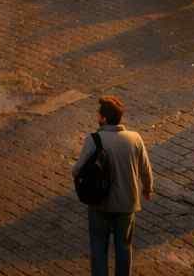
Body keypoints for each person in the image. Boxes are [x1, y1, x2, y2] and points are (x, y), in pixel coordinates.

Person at [72, 96, 153, 276]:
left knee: (99, 247)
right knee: (124, 248)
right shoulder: (135, 138)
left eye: (98, 114)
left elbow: (77, 169)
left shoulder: (94, 140)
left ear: (104, 119)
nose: (96, 116)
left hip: (100, 203)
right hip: (127, 204)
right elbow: (145, 169)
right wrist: (147, 189)